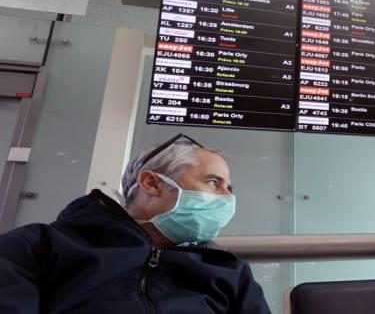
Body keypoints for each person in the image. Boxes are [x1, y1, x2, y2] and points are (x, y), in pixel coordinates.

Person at [0, 133, 271, 313]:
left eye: (229, 187)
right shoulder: (36, 248)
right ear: (152, 183)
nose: (227, 197)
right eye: (213, 182)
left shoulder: (229, 271)